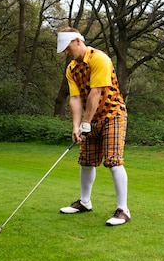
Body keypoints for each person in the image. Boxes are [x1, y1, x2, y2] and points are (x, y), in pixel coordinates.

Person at [56, 27, 131, 226]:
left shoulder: (100, 59)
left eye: (67, 47)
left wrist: (86, 123)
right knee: (86, 160)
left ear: (78, 41)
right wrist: (76, 126)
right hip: (92, 118)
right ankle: (84, 202)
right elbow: (74, 98)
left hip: (113, 114)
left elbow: (95, 93)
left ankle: (123, 210)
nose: (65, 52)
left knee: (114, 160)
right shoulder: (71, 68)